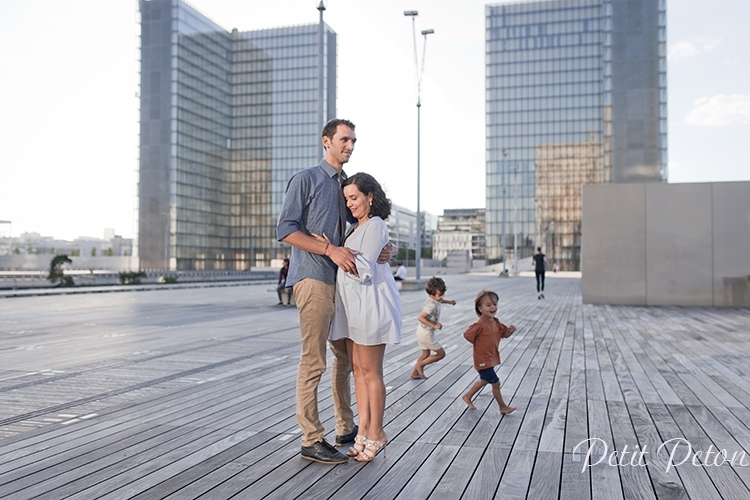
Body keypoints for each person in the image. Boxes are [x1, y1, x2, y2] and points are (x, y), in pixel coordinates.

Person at [276, 118, 392, 465]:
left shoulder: (347, 186)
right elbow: (285, 229)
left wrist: (385, 250)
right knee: (314, 360)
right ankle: (311, 437)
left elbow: (360, 232)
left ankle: (346, 427)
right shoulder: (306, 179)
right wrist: (329, 251)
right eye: (344, 139)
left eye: (354, 140)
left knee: (345, 359)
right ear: (326, 141)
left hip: (345, 284)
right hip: (313, 278)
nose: (350, 146)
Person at [324, 172, 401, 463]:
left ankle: (377, 433)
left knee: (371, 373)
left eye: (354, 197)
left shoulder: (376, 225)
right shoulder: (356, 228)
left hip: (371, 306)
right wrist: (338, 250)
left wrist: (335, 253)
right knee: (358, 371)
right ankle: (363, 432)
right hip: (353, 309)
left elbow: (363, 268)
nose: (350, 203)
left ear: (370, 196)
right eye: (347, 199)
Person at [461, 290, 517, 414]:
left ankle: (467, 396)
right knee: (495, 383)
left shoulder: (496, 322)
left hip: (490, 358)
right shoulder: (479, 324)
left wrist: (510, 332)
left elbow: (504, 334)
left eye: (495, 304)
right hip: (482, 359)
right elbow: (467, 334)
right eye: (488, 305)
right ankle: (502, 407)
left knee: (484, 380)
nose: (493, 307)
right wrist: (479, 345)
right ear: (480, 308)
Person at [410, 277, 455, 380]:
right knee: (441, 354)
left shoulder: (434, 299)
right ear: (431, 294)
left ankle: (415, 373)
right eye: (440, 295)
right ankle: (419, 365)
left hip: (421, 331)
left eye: (443, 294)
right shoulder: (430, 305)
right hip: (426, 334)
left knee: (426, 353)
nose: (442, 296)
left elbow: (440, 300)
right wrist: (434, 325)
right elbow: (421, 317)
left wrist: (449, 302)